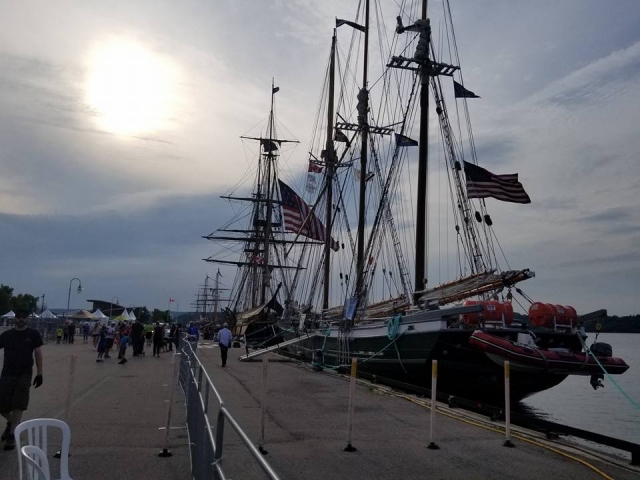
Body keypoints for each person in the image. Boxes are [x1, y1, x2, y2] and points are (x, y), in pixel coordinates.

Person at [0, 310, 44, 450]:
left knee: (18, 404)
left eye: (24, 317)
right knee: (2, 405)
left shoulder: (33, 334)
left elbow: (38, 353)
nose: (21, 320)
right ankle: (12, 423)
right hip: (7, 373)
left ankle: (12, 435)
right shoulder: (6, 335)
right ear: (14, 319)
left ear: (28, 319)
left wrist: (40, 373)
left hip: (24, 374)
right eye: (18, 317)